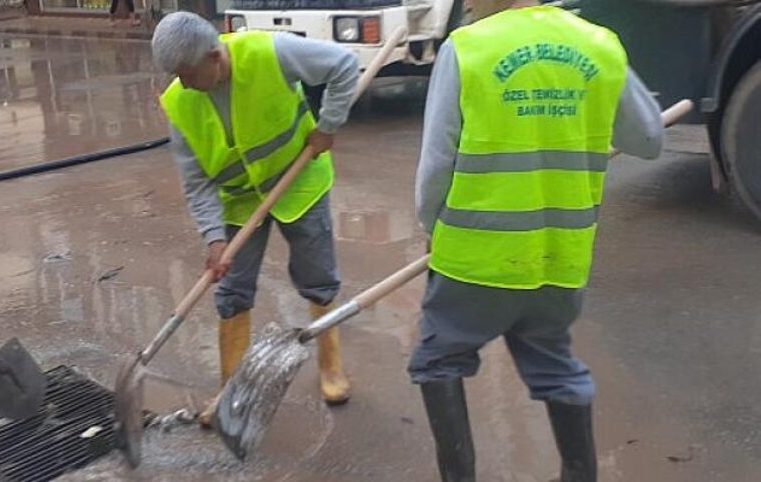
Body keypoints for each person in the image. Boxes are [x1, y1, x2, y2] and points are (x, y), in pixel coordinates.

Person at [410, 0, 663, 480]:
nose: (463, 6)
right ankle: (579, 473)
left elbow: (436, 165)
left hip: (474, 260)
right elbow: (649, 141)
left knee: (438, 360)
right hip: (558, 258)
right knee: (554, 364)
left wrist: (430, 227)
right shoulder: (599, 43)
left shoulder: (467, 49)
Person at [151, 12, 359, 423]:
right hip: (240, 202)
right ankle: (230, 392)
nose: (184, 84)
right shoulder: (181, 103)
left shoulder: (270, 52)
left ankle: (331, 366)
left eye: (189, 74)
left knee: (317, 278)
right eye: (177, 75)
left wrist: (329, 126)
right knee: (231, 292)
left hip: (299, 182)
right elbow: (197, 182)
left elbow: (344, 65)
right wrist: (214, 239)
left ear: (215, 57)